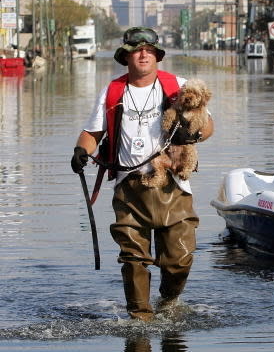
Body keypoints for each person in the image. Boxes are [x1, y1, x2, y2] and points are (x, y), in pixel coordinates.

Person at [70, 26, 214, 321]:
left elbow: (208, 124)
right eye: (137, 50)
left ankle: (168, 301)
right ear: (127, 56)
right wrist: (81, 151)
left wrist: (193, 134)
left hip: (173, 185)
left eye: (149, 50)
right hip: (129, 188)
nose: (143, 54)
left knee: (180, 259)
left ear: (157, 55)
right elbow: (92, 131)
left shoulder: (177, 86)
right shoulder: (112, 91)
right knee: (134, 259)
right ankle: (140, 317)